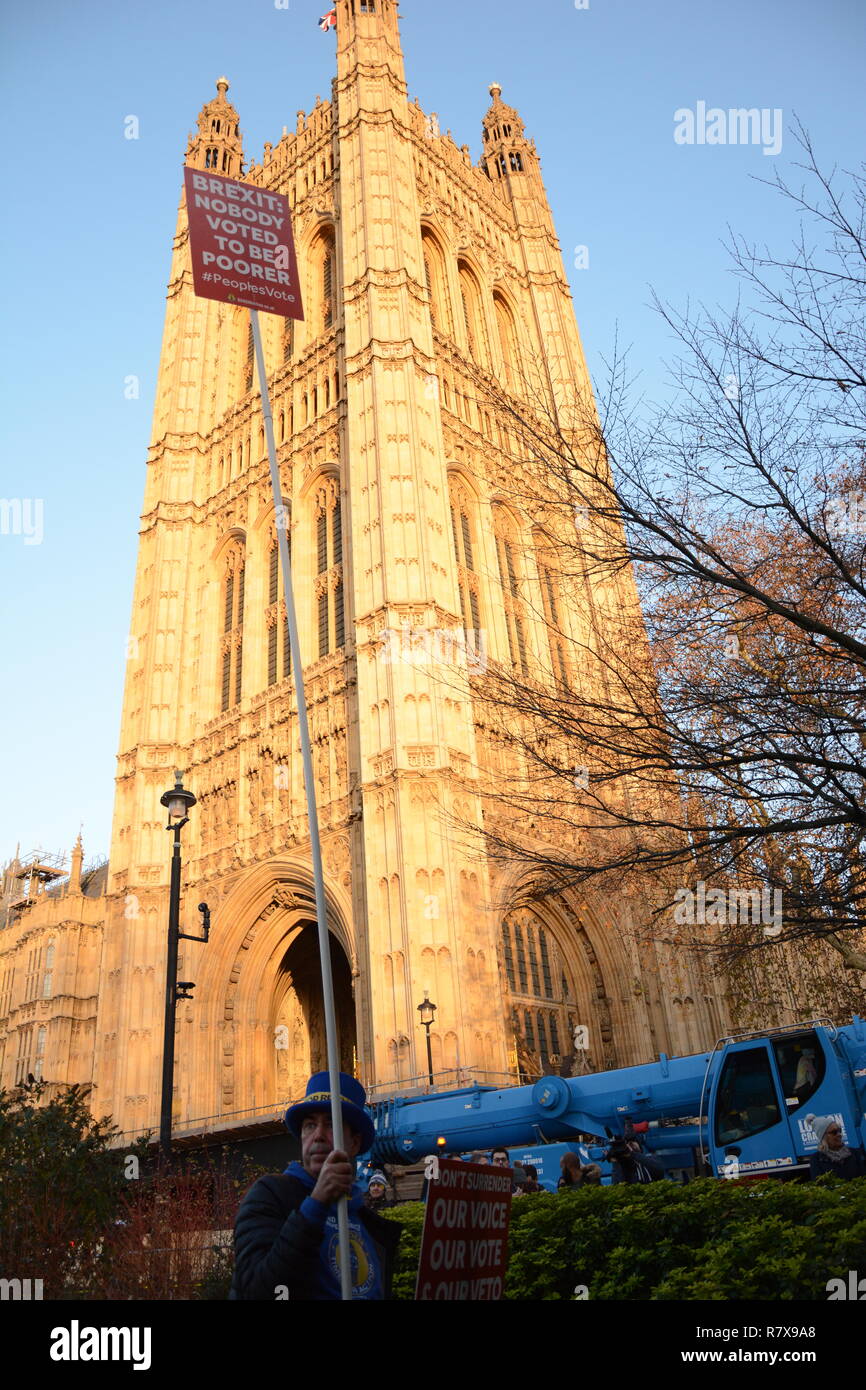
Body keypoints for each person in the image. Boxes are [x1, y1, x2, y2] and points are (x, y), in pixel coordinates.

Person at [229, 1071, 401, 1300]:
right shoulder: (271, 1195)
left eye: (331, 1125)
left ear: (354, 1142)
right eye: (310, 1125)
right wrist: (316, 1203)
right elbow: (258, 1290)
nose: (318, 1136)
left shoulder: (368, 1222)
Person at [806, 1114, 866, 1180]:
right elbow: (819, 1184)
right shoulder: (816, 1159)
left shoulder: (854, 1153)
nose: (839, 1134)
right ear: (823, 1137)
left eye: (839, 1131)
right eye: (834, 1132)